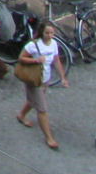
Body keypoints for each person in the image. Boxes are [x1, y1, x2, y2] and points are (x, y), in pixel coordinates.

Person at [15, 20, 68, 150]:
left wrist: (62, 77)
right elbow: (21, 58)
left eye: (52, 33)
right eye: (47, 33)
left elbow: (56, 60)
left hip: (45, 79)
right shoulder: (33, 45)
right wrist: (36, 60)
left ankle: (21, 115)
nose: (50, 36)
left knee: (33, 101)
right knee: (42, 109)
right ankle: (49, 137)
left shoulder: (54, 44)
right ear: (41, 32)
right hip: (34, 80)